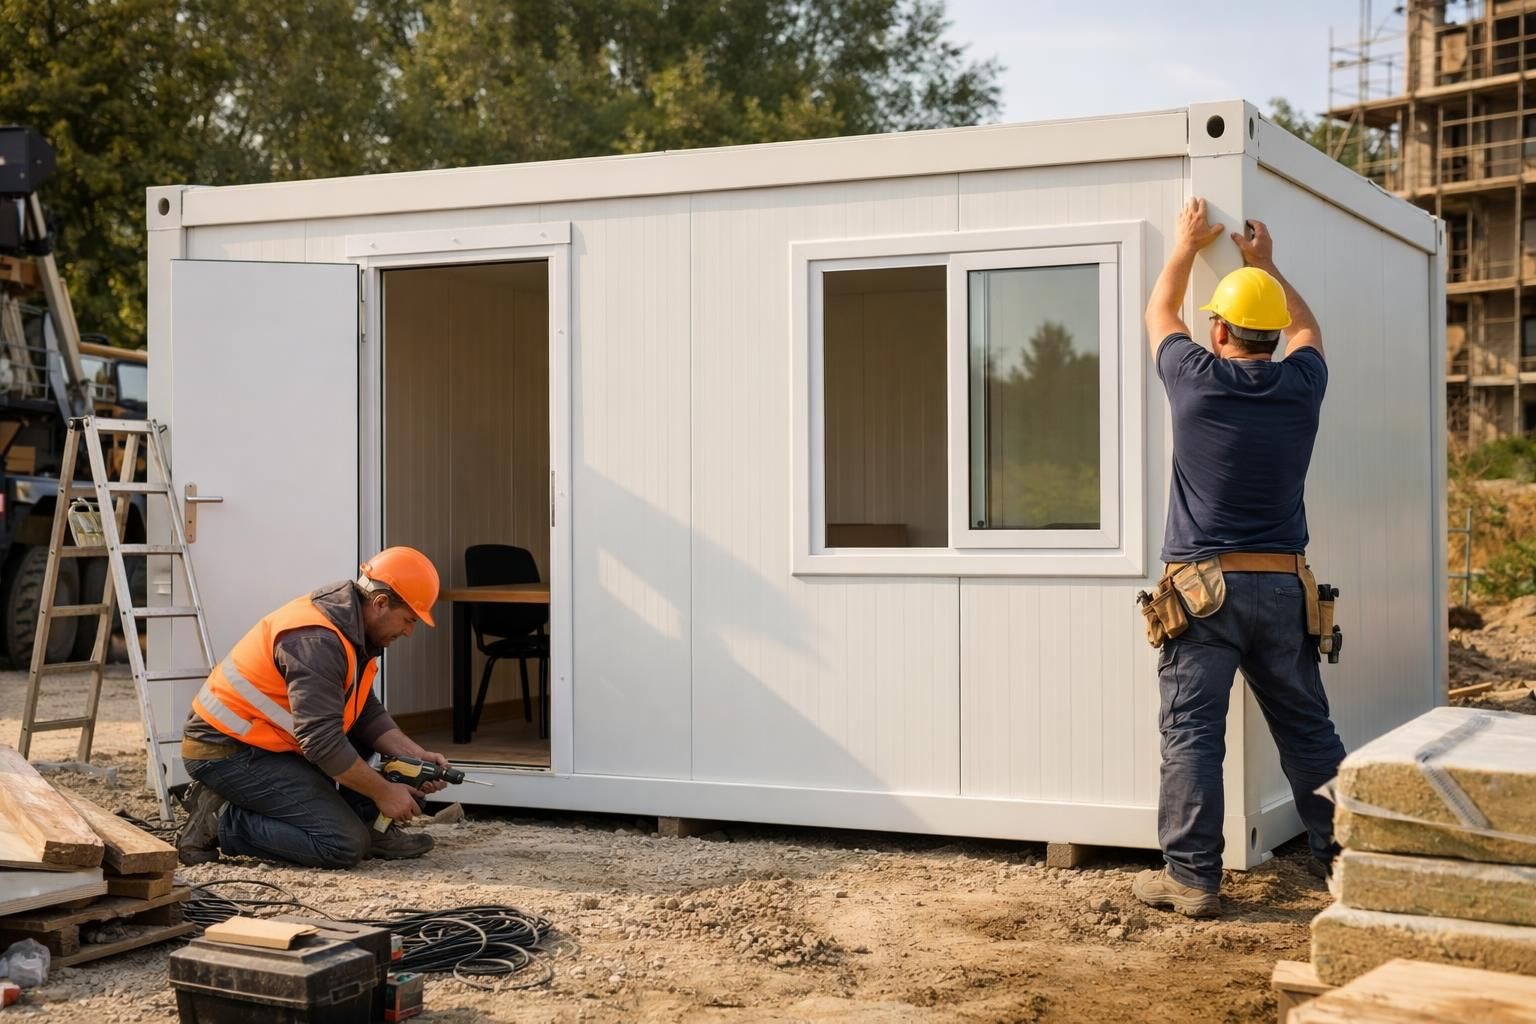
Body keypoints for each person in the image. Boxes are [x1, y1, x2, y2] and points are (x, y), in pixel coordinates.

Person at [1132, 198, 1347, 917]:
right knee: (1308, 730)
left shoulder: (1194, 378)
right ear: (1274, 338)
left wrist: (1187, 246)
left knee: (1193, 733)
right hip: (1285, 590)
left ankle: (1193, 879)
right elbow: (1310, 328)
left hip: (1202, 594)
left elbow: (1159, 311)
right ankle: (1344, 863)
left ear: (1218, 330)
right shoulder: (1301, 386)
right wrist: (1266, 264)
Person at [174, 546, 452, 868]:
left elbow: (360, 708)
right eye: (407, 620)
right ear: (380, 603)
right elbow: (322, 742)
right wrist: (384, 793)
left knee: (356, 750)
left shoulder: (352, 628)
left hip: (266, 744)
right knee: (341, 844)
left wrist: (411, 754)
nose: (408, 631)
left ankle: (369, 827)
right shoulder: (318, 641)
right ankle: (223, 818)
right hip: (225, 751)